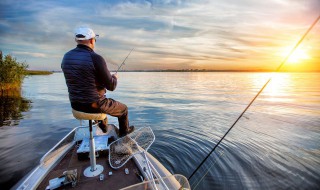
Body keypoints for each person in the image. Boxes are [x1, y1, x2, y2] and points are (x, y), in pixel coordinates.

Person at [61, 27, 134, 137]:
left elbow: (81, 78)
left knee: (103, 103)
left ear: (77, 40)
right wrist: (114, 78)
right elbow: (111, 86)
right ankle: (124, 136)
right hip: (94, 105)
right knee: (123, 109)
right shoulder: (96, 58)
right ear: (91, 40)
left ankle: (103, 128)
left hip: (75, 105)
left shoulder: (66, 57)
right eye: (95, 39)